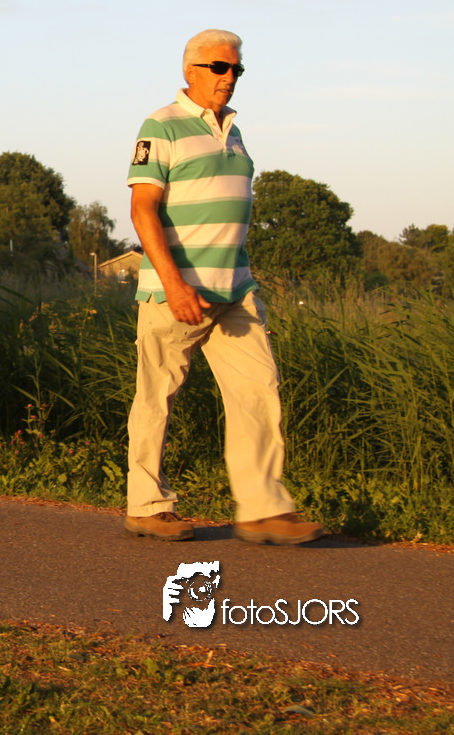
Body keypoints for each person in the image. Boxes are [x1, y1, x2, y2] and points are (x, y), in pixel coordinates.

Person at [124, 29, 323, 545]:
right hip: (176, 292)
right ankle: (146, 506)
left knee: (258, 391)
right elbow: (142, 209)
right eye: (219, 67)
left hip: (235, 289)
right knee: (157, 397)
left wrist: (240, 278)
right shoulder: (161, 126)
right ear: (190, 70)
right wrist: (174, 285)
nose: (229, 77)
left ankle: (262, 510)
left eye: (236, 69)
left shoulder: (234, 132)